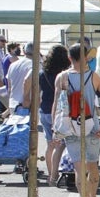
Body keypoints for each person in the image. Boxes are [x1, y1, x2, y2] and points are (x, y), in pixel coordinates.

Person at [53, 44, 100, 197]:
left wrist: (55, 129)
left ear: (69, 58)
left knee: (79, 168)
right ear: (87, 57)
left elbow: (56, 106)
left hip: (71, 129)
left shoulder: (62, 78)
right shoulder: (94, 77)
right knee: (93, 166)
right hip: (93, 128)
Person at [35, 45, 71, 185]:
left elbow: (38, 94)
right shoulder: (65, 73)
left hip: (45, 110)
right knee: (63, 144)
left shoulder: (42, 74)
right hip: (61, 112)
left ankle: (51, 175)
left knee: (50, 144)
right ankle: (59, 173)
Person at [7, 42, 35, 113]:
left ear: (24, 51)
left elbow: (9, 87)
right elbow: (27, 80)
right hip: (28, 104)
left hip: (13, 103)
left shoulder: (13, 65)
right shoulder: (35, 65)